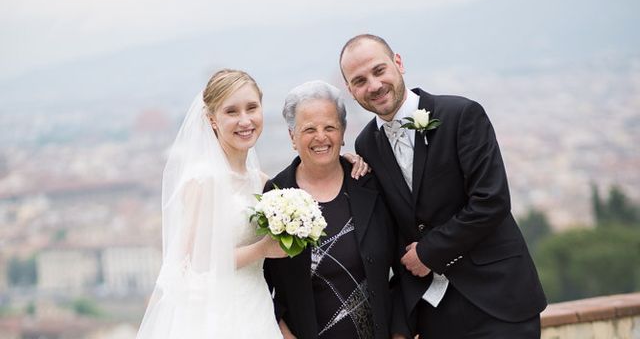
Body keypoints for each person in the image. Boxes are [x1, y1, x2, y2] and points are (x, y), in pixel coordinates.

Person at [339, 35, 547, 339]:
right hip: (434, 316)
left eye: (379, 70)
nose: (373, 85)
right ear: (350, 90)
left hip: (499, 301)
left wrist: (429, 252)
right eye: (359, 80)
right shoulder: (366, 144)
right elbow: (393, 229)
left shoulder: (461, 115)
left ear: (398, 63)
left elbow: (491, 201)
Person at [136, 69, 368, 338]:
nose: (245, 120)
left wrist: (345, 159)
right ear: (212, 120)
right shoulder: (203, 181)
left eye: (251, 108)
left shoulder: (262, 183)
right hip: (216, 314)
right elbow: (195, 263)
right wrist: (263, 249)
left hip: (256, 308)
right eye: (232, 112)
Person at [263, 80, 405, 339]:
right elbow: (261, 287)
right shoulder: (274, 195)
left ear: (342, 133)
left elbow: (402, 267)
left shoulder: (370, 184)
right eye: (309, 129)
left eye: (330, 127)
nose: (321, 137)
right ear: (292, 136)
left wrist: (400, 334)